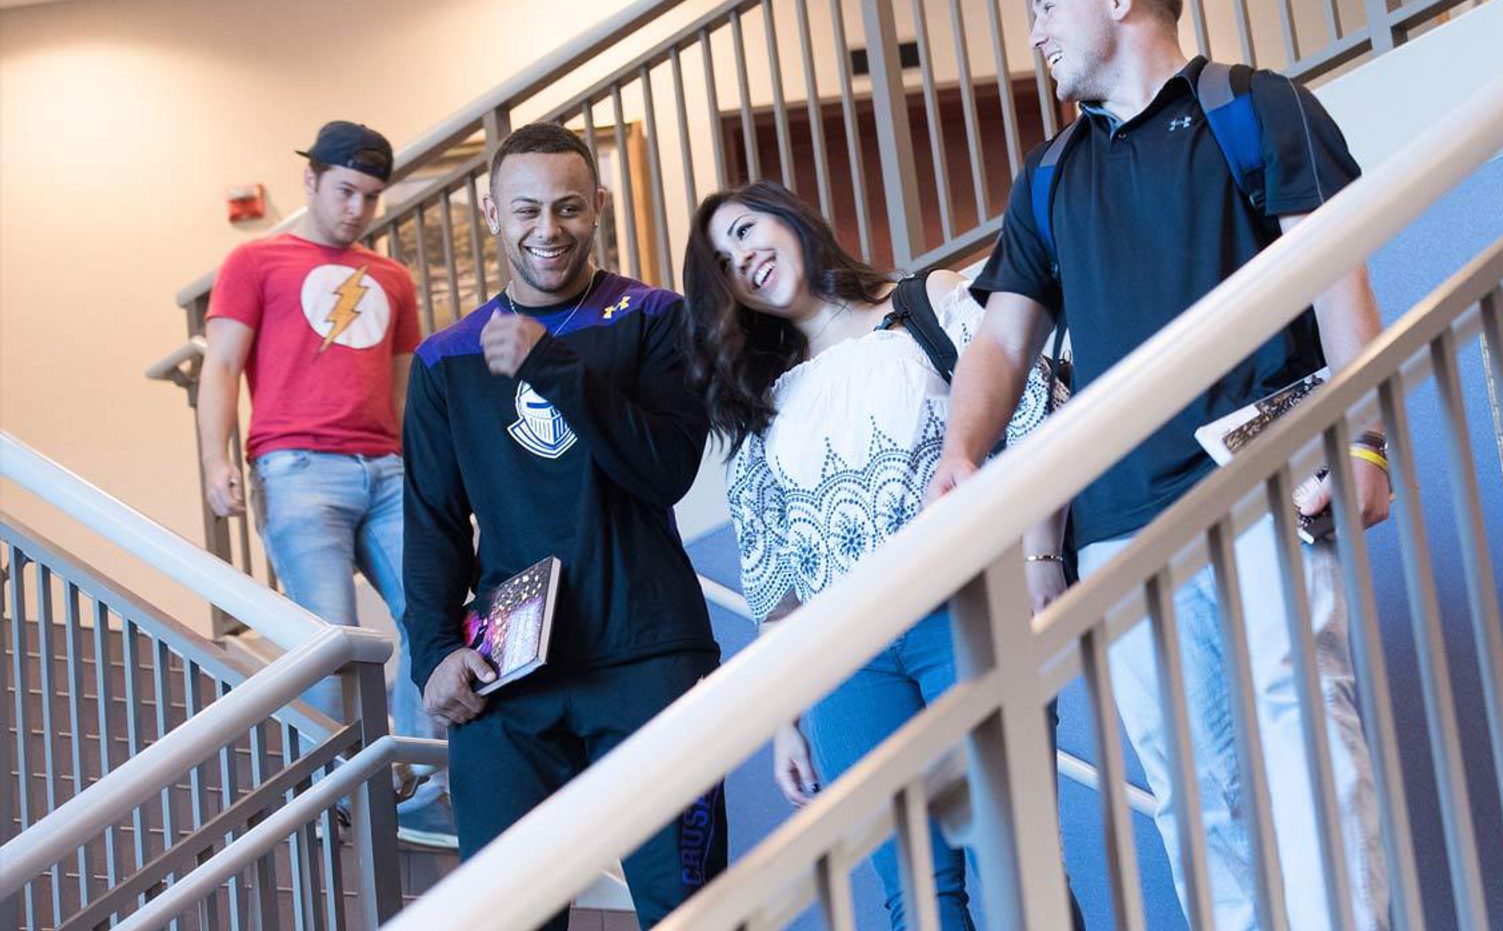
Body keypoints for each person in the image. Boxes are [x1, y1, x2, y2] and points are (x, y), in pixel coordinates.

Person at [926, 0, 1392, 931]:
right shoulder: (1048, 177)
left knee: (1303, 729)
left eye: (1047, 6)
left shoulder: (1254, 109)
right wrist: (963, 452)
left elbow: (1334, 274)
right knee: (1193, 783)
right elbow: (1000, 344)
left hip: (1265, 474)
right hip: (1121, 522)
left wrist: (1361, 440)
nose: (1035, 33)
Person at [682, 180, 1070, 931]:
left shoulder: (926, 303)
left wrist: (1040, 559)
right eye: (723, 262)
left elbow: (1033, 417)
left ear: (790, 217)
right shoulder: (760, 400)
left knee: (1020, 870)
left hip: (965, 613)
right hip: (843, 660)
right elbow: (776, 584)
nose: (743, 258)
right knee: (916, 901)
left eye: (744, 229)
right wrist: (786, 718)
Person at [402, 122, 725, 929]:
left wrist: (549, 360)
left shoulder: (654, 317)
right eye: (527, 209)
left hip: (650, 659)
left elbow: (664, 469)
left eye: (569, 207)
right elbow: (433, 522)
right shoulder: (446, 360)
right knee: (509, 910)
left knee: (688, 905)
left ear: (600, 207)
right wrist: (434, 654)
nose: (548, 229)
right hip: (510, 678)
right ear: (491, 212)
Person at [198, 119, 455, 849]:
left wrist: (432, 479)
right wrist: (218, 460)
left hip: (388, 470)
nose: (358, 209)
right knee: (330, 640)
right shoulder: (255, 260)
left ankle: (422, 786)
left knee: (433, 616)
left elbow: (405, 394)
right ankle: (327, 794)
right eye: (346, 190)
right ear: (310, 180)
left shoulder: (394, 279)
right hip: (296, 466)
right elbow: (220, 366)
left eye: (372, 196)